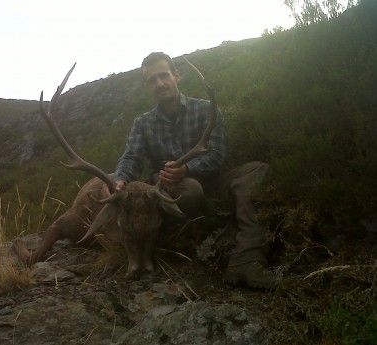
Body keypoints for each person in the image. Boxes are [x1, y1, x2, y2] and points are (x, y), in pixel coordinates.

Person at [112, 52, 275, 289]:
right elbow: (131, 158)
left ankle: (246, 258)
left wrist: (188, 167)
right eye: (152, 80)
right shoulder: (143, 123)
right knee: (190, 190)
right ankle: (175, 232)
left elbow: (217, 155)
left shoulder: (207, 111)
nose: (159, 84)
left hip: (212, 179)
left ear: (177, 75)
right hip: (169, 185)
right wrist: (121, 180)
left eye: (164, 75)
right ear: (148, 87)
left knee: (256, 170)